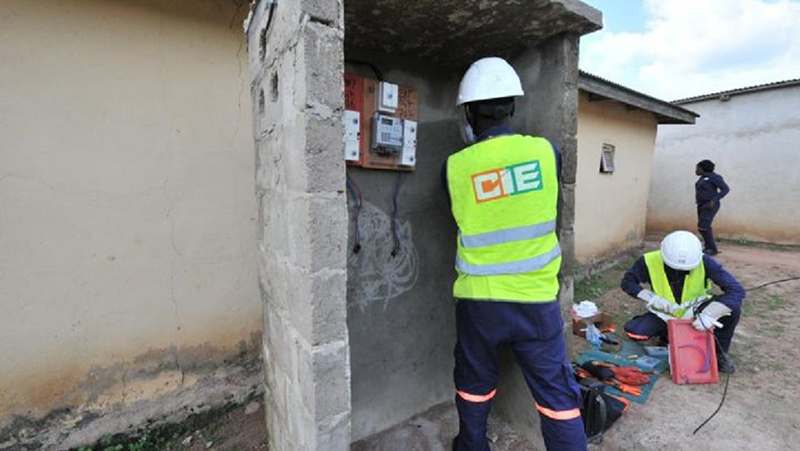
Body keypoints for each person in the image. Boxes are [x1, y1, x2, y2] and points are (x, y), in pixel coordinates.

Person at [445, 57, 586, 451]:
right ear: (512, 106)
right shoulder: (547, 153)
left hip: (479, 302)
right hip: (534, 301)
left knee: (474, 384)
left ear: (469, 113)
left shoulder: (455, 167)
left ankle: (470, 446)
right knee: (557, 399)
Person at [620, 231, 744, 374]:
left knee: (732, 311)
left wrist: (710, 314)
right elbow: (628, 282)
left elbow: (736, 290)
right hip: (665, 312)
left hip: (696, 310)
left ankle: (718, 354)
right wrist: (651, 298)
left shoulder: (705, 261)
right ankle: (668, 336)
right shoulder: (648, 260)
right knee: (635, 331)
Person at [695, 159, 729, 256]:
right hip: (701, 204)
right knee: (704, 226)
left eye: (698, 168)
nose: (696, 170)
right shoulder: (702, 177)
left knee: (703, 227)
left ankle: (712, 249)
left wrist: (714, 200)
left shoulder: (715, 178)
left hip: (710, 205)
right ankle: (709, 248)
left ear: (703, 169)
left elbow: (725, 189)